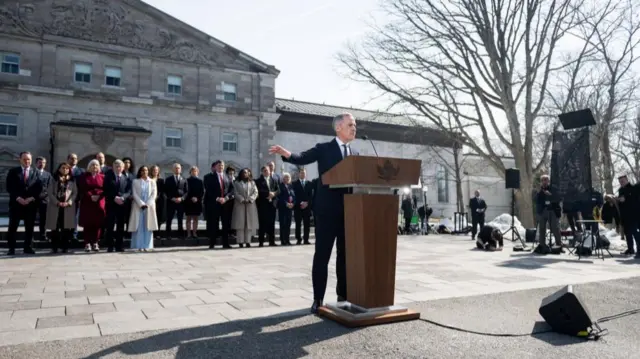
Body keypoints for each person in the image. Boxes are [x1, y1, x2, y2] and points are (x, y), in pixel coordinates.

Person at [269, 112, 358, 314]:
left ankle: (343, 296)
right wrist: (287, 154)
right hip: (326, 212)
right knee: (322, 256)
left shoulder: (356, 155)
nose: (354, 128)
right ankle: (318, 299)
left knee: (345, 257)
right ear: (338, 127)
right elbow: (303, 157)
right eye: (351, 124)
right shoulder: (324, 149)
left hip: (349, 212)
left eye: (355, 125)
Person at [6, 151, 41, 255]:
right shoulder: (13, 171)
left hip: (30, 205)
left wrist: (31, 198)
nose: (27, 161)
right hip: (16, 204)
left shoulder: (36, 172)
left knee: (29, 228)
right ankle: (11, 248)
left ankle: (28, 247)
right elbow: (9, 187)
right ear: (20, 159)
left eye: (29, 159)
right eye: (25, 159)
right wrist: (17, 198)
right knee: (12, 227)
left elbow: (40, 188)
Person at [45, 163, 77, 253]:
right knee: (54, 228)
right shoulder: (53, 179)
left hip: (67, 207)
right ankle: (54, 247)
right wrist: (57, 202)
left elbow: (75, 193)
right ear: (59, 169)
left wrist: (69, 202)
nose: (65, 170)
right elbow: (50, 192)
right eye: (63, 168)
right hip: (55, 206)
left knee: (66, 228)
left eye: (67, 168)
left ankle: (65, 247)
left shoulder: (72, 180)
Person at [203, 160, 234, 249]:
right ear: (215, 167)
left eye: (222, 166)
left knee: (226, 224)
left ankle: (225, 243)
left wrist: (226, 198)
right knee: (214, 224)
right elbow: (208, 190)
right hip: (214, 204)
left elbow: (232, 190)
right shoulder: (208, 177)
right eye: (219, 165)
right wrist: (217, 198)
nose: (221, 167)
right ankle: (212, 243)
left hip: (225, 204)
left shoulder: (228, 177)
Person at [104, 159, 132, 252]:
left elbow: (128, 191)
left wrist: (123, 198)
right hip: (111, 204)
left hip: (122, 205)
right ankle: (110, 246)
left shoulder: (126, 178)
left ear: (123, 167)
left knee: (120, 226)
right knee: (110, 226)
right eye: (116, 166)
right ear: (113, 167)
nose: (118, 168)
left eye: (120, 166)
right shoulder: (108, 177)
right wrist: (114, 198)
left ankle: (119, 246)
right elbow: (105, 190)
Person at [78, 159, 106, 252]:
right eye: (93, 165)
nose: (95, 167)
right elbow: (82, 189)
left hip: (99, 202)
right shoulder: (84, 177)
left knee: (97, 224)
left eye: (97, 165)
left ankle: (95, 242)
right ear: (89, 167)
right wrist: (91, 196)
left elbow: (104, 189)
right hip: (87, 202)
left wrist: (98, 195)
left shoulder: (102, 177)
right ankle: (87, 243)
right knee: (88, 224)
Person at [129, 165, 158, 251]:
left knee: (148, 225)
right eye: (142, 170)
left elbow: (154, 194)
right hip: (138, 206)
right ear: (140, 172)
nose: (144, 172)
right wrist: (141, 204)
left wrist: (147, 204)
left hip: (149, 206)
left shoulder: (152, 182)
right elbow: (134, 194)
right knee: (139, 225)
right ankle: (138, 245)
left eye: (146, 170)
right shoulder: (135, 181)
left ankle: (147, 246)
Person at [231, 168, 259, 248]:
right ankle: (240, 241)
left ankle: (248, 241)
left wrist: (250, 199)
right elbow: (235, 192)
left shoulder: (252, 182)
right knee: (240, 224)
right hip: (240, 205)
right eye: (243, 173)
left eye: (246, 173)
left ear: (249, 174)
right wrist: (242, 199)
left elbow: (255, 192)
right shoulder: (236, 183)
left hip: (250, 205)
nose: (245, 174)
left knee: (249, 224)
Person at [535, 174, 563, 250]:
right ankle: (542, 245)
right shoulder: (540, 190)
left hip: (552, 210)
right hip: (543, 211)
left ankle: (559, 245)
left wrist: (550, 195)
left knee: (554, 227)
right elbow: (537, 201)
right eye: (542, 180)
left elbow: (559, 198)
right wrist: (539, 193)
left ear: (548, 181)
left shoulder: (553, 189)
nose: (544, 182)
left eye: (546, 180)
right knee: (542, 228)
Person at [616, 175, 640, 257]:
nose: (621, 183)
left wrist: (626, 199)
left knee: (635, 233)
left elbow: (635, 200)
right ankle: (630, 249)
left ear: (626, 180)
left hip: (633, 215)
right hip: (624, 215)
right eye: (620, 182)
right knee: (627, 233)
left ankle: (639, 250)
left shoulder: (633, 188)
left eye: (622, 181)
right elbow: (620, 201)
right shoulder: (620, 190)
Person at [255, 166, 279, 247]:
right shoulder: (258, 181)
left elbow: (278, 190)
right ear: (262, 172)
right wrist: (268, 194)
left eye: (268, 170)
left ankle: (272, 241)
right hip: (263, 205)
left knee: (271, 224)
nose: (267, 172)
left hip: (272, 205)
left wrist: (274, 194)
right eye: (265, 171)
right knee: (262, 224)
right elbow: (258, 191)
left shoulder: (273, 180)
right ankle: (261, 242)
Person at [164, 163, 187, 239]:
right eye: (176, 168)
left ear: (181, 169)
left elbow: (186, 191)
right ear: (172, 169)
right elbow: (166, 191)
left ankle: (180, 235)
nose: (177, 169)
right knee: (169, 219)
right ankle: (168, 235)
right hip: (171, 202)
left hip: (181, 202)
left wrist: (182, 198)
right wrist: (172, 198)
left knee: (180, 219)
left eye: (179, 168)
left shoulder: (184, 179)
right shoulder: (168, 179)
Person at [292, 167, 313, 245]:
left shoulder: (309, 183)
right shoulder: (294, 184)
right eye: (301, 173)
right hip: (298, 207)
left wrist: (307, 203)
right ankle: (298, 239)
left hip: (307, 208)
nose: (302, 174)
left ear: (306, 174)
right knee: (298, 224)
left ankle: (306, 239)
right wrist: (300, 203)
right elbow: (293, 195)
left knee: (307, 224)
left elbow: (311, 196)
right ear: (299, 174)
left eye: (304, 173)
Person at [185, 166, 204, 239]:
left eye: (195, 171)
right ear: (190, 172)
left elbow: (202, 192)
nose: (194, 172)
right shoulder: (187, 180)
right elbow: (186, 191)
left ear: (197, 172)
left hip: (197, 202)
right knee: (188, 219)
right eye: (193, 171)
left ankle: (195, 233)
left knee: (196, 218)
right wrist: (190, 198)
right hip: (188, 202)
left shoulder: (200, 181)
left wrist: (197, 198)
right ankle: (188, 233)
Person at [35, 156, 51, 242]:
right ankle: (30, 237)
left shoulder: (48, 174)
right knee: (30, 218)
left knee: (43, 219)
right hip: (32, 199)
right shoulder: (32, 173)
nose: (42, 164)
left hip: (44, 199)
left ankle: (43, 235)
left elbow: (50, 187)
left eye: (43, 163)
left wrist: (44, 195)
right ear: (36, 163)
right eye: (40, 162)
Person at [278, 173, 295, 245]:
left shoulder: (291, 186)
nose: (287, 179)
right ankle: (283, 240)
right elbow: (280, 197)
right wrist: (286, 203)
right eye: (286, 177)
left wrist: (293, 203)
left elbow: (294, 196)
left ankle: (287, 240)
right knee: (283, 224)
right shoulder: (280, 186)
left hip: (290, 208)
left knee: (288, 224)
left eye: (288, 177)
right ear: (283, 178)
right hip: (283, 208)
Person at [149, 166, 166, 239]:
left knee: (158, 217)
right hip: (150, 201)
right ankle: (151, 233)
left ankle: (157, 233)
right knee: (151, 217)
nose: (155, 171)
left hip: (159, 201)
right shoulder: (148, 180)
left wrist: (157, 196)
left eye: (156, 170)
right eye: (154, 170)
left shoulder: (161, 180)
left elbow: (162, 190)